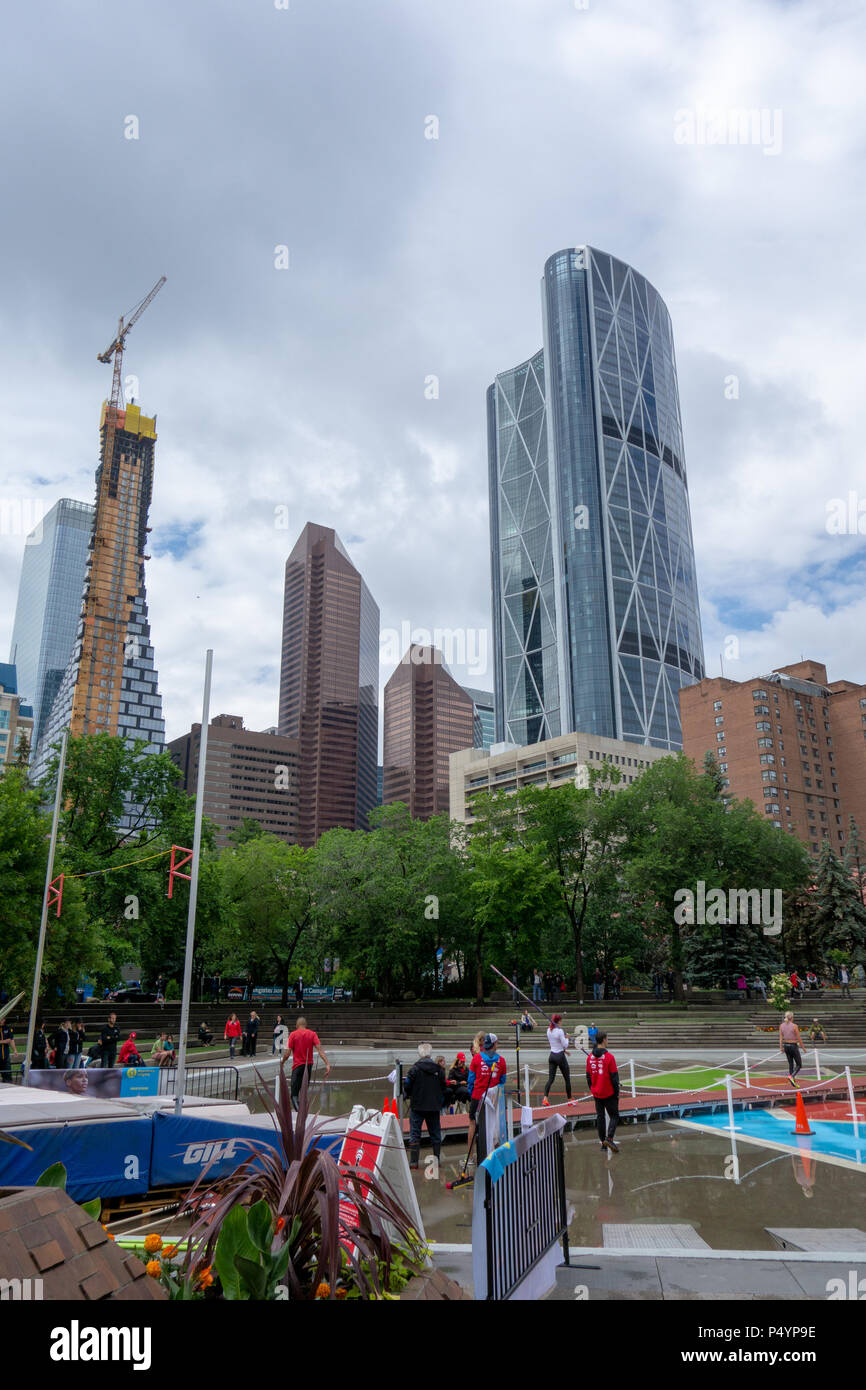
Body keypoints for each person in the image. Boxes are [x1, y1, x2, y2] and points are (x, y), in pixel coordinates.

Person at [404, 1044, 447, 1170]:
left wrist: (410, 1093)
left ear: (419, 1054)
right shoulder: (438, 1070)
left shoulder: (414, 1069)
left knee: (415, 1133)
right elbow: (443, 1087)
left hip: (417, 1106)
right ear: (430, 1054)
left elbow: (407, 1085)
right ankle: (436, 1160)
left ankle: (413, 1162)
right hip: (433, 1106)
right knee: (435, 1133)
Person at [466, 1033, 506, 1162]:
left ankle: (470, 1157)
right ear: (494, 1045)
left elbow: (470, 1080)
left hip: (477, 1097)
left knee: (472, 1123)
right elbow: (502, 1081)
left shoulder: (476, 1059)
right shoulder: (502, 1060)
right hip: (494, 1099)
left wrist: (474, 1094)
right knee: (494, 1124)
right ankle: (495, 1155)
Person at [283, 1015, 330, 1111]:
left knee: (294, 1095)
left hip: (297, 1066)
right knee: (303, 1093)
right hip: (308, 1067)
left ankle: (300, 1113)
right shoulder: (312, 1034)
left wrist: (282, 1062)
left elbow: (287, 1053)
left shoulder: (293, 1034)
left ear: (297, 1025)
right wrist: (327, 1064)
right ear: (305, 1024)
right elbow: (320, 1050)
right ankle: (303, 1112)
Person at [586, 1029, 620, 1152]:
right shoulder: (610, 1057)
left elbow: (588, 1076)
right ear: (604, 1040)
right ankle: (609, 1138)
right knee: (614, 1115)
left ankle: (603, 1144)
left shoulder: (590, 1058)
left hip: (597, 1092)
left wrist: (593, 1088)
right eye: (607, 1039)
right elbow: (614, 1077)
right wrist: (617, 1093)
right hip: (609, 1092)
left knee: (600, 1117)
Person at [542, 1012, 573, 1106]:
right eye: (561, 1021)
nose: (561, 1023)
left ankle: (545, 1099)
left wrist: (564, 1051)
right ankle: (569, 1099)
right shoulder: (560, 1031)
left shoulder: (548, 1030)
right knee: (567, 1079)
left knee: (551, 1079)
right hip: (560, 1056)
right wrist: (567, 1038)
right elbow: (565, 1044)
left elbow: (555, 1044)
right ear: (558, 1021)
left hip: (552, 1056)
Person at [780, 1010, 804, 1085]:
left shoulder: (781, 1025)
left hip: (786, 1045)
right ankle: (792, 1076)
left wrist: (781, 1047)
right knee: (799, 1064)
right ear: (792, 1018)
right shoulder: (794, 1026)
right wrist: (803, 1047)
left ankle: (792, 1083)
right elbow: (799, 1038)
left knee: (791, 1064)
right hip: (793, 1046)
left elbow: (781, 1038)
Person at [0, 1018, 18, 1083]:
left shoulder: (7, 1028)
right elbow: (7, 1041)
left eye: (2, 1019)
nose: (1, 1020)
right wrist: (3, 1041)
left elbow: (11, 1040)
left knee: (8, 1076)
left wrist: (15, 1050)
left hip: (5, 1056)